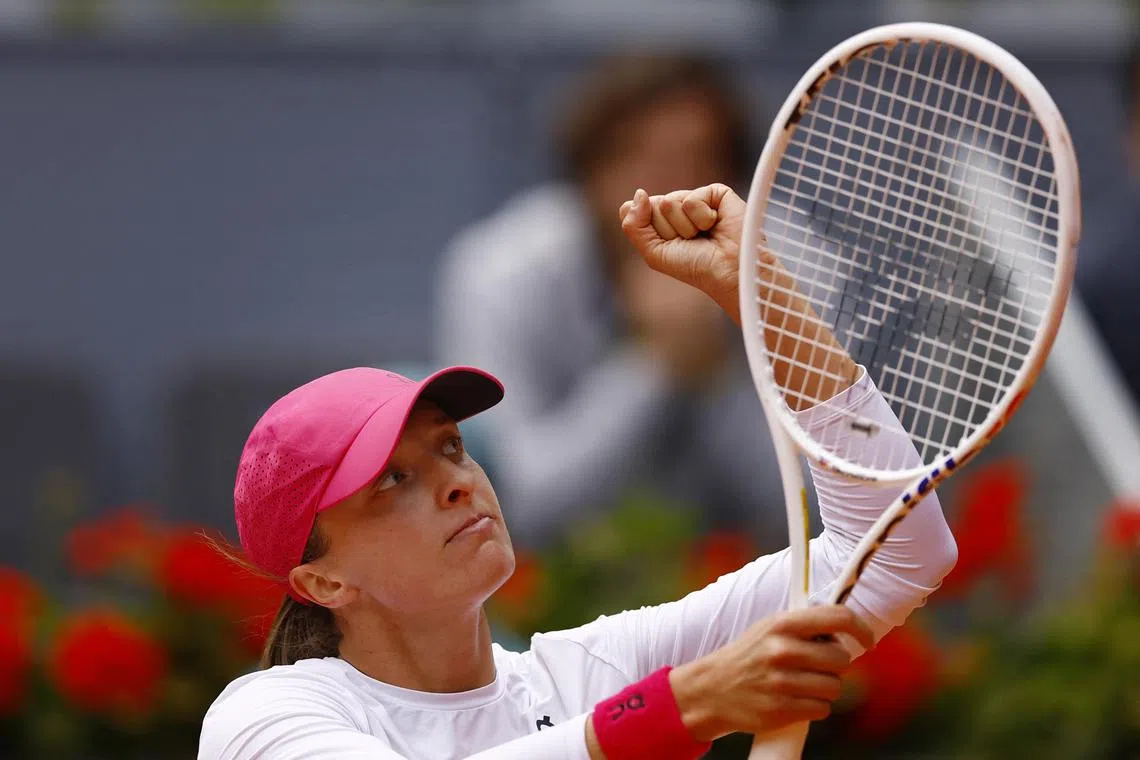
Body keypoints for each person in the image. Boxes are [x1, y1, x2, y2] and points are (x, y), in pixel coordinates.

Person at [199, 184, 958, 759]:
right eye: (392, 481)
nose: (459, 482)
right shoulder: (263, 719)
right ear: (323, 583)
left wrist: (758, 295)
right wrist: (683, 707)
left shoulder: (588, 675)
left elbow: (897, 550)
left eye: (452, 448)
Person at [435, 54, 786, 548]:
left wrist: (712, 374)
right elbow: (516, 502)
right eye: (637, 156)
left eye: (699, 157)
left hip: (747, 583)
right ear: (589, 170)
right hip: (560, 591)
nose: (667, 187)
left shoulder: (787, 265)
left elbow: (812, 510)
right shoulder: (499, 271)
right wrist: (653, 365)